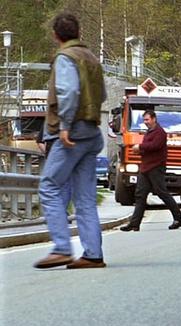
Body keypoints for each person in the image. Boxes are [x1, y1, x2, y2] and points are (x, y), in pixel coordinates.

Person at [33, 12, 107, 269]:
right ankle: (93, 254)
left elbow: (68, 90)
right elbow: (102, 94)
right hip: (91, 132)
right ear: (79, 33)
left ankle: (62, 248)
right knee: (85, 197)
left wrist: (64, 126)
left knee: (49, 186)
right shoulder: (91, 58)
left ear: (56, 35)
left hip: (71, 133)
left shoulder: (65, 58)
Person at [119, 110, 181, 232]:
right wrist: (139, 150)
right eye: (144, 120)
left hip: (156, 168)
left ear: (154, 119)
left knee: (162, 193)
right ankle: (134, 224)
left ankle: (178, 219)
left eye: (147, 120)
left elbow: (155, 146)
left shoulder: (160, 133)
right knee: (140, 195)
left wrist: (140, 147)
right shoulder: (149, 132)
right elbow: (149, 148)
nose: (145, 122)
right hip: (145, 168)